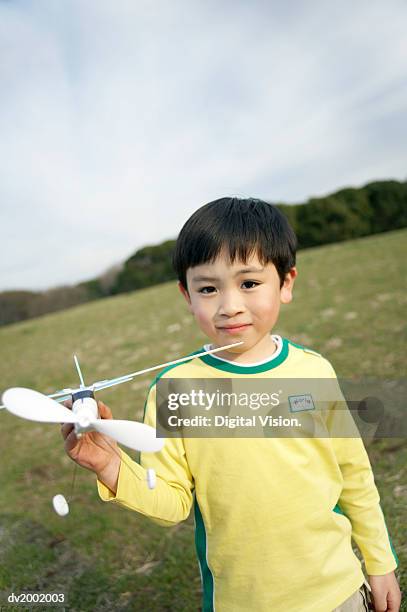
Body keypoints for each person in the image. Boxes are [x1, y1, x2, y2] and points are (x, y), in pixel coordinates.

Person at [61, 197, 401, 611]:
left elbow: (355, 477)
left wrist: (380, 563)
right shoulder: (175, 390)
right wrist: (110, 465)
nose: (229, 306)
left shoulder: (315, 371)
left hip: (339, 592)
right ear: (187, 295)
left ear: (286, 283)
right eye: (208, 288)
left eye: (249, 283)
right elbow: (171, 503)